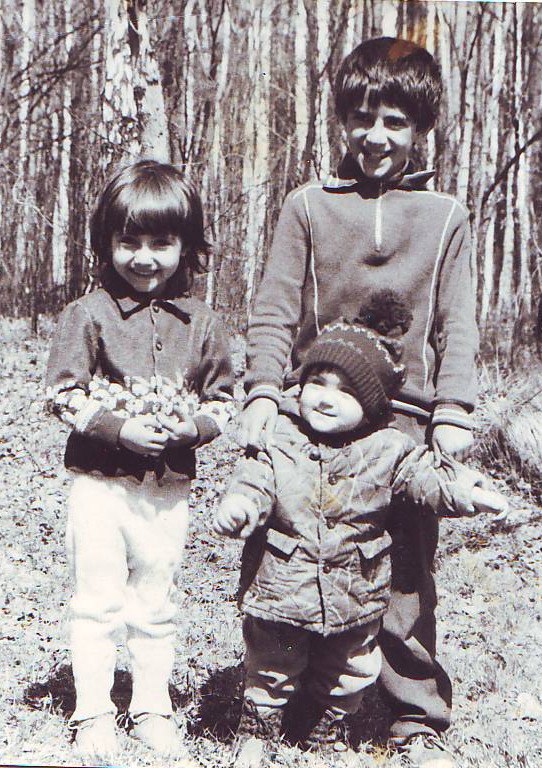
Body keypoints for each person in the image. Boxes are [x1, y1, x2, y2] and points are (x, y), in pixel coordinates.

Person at [240, 36, 479, 768]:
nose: (376, 136)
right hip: (311, 415)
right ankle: (280, 701)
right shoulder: (308, 206)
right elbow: (274, 308)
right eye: (362, 118)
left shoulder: (445, 216)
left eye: (395, 122)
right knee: (283, 555)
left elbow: (457, 325)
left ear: (422, 128)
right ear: (341, 121)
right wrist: (263, 391)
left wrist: (452, 411)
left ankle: (413, 717)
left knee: (403, 570)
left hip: (401, 425)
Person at [215, 294, 504, 767]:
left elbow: (424, 480)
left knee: (350, 667)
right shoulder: (282, 436)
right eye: (317, 381)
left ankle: (326, 730)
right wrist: (240, 505)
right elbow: (255, 478)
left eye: (345, 390)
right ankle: (258, 729)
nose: (325, 397)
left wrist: (465, 492)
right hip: (283, 585)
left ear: (370, 403)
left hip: (355, 586)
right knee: (272, 662)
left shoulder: (389, 447)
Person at [45, 159, 235, 764]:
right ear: (106, 243)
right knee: (97, 601)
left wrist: (195, 428)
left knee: (155, 602)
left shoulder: (202, 323)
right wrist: (118, 428)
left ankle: (152, 707)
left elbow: (225, 401)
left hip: (166, 492)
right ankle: (94, 712)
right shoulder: (88, 314)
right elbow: (62, 393)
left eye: (162, 242)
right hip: (99, 487)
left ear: (187, 246)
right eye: (129, 242)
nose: (144, 257)